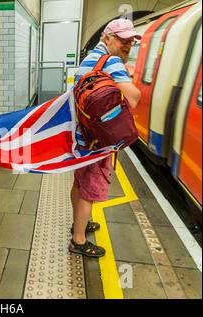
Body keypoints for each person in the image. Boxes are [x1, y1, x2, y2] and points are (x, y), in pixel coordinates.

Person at [69, 18, 142, 257]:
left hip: (82, 136)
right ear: (107, 38)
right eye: (122, 39)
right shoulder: (111, 62)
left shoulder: (89, 60)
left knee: (79, 184)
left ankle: (78, 224)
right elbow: (131, 99)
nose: (127, 45)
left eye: (130, 41)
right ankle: (78, 240)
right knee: (90, 190)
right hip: (98, 140)